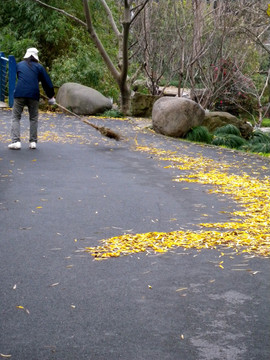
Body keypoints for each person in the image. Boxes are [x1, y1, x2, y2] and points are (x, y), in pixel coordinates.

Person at [8, 47, 56, 150]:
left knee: (16, 117)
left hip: (20, 93)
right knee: (33, 118)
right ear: (36, 57)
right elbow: (47, 83)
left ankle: (16, 141)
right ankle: (33, 142)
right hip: (33, 94)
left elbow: (20, 77)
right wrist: (51, 96)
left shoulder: (19, 65)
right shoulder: (39, 67)